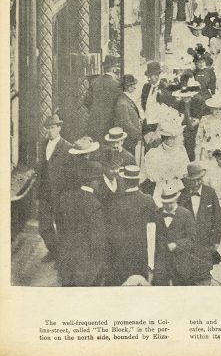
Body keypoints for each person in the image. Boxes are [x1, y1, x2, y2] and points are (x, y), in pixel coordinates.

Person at [56, 159, 107, 287]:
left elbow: (59, 226)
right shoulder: (95, 205)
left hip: (66, 260)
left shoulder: (65, 198)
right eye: (98, 180)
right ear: (93, 181)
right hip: (85, 265)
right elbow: (97, 241)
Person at [105, 165, 158, 285]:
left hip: (121, 257)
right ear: (138, 181)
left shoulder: (116, 202)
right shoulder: (148, 200)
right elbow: (154, 229)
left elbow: (111, 233)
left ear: (125, 181)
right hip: (141, 255)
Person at [178, 161, 221, 284]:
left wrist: (216, 240)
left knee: (205, 274)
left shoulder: (210, 193)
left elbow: (218, 218)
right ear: (188, 180)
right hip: (189, 244)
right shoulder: (182, 196)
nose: (198, 183)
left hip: (206, 242)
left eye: (200, 179)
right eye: (194, 180)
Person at [37, 114, 72, 259]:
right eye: (48, 128)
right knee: (44, 225)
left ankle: (63, 254)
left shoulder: (67, 147)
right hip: (45, 191)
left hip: (60, 192)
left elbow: (71, 174)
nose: (50, 131)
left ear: (59, 128)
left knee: (62, 223)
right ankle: (53, 251)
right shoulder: (43, 144)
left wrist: (67, 194)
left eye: (53, 128)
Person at [83, 55, 121, 142]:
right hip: (109, 125)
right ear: (114, 69)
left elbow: (86, 101)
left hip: (94, 123)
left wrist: (94, 111)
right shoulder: (116, 84)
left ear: (104, 67)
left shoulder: (94, 82)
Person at [113, 74, 143, 159]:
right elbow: (126, 123)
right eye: (132, 85)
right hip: (129, 139)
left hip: (132, 138)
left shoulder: (126, 98)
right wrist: (139, 134)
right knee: (130, 159)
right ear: (127, 86)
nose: (134, 87)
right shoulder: (122, 102)